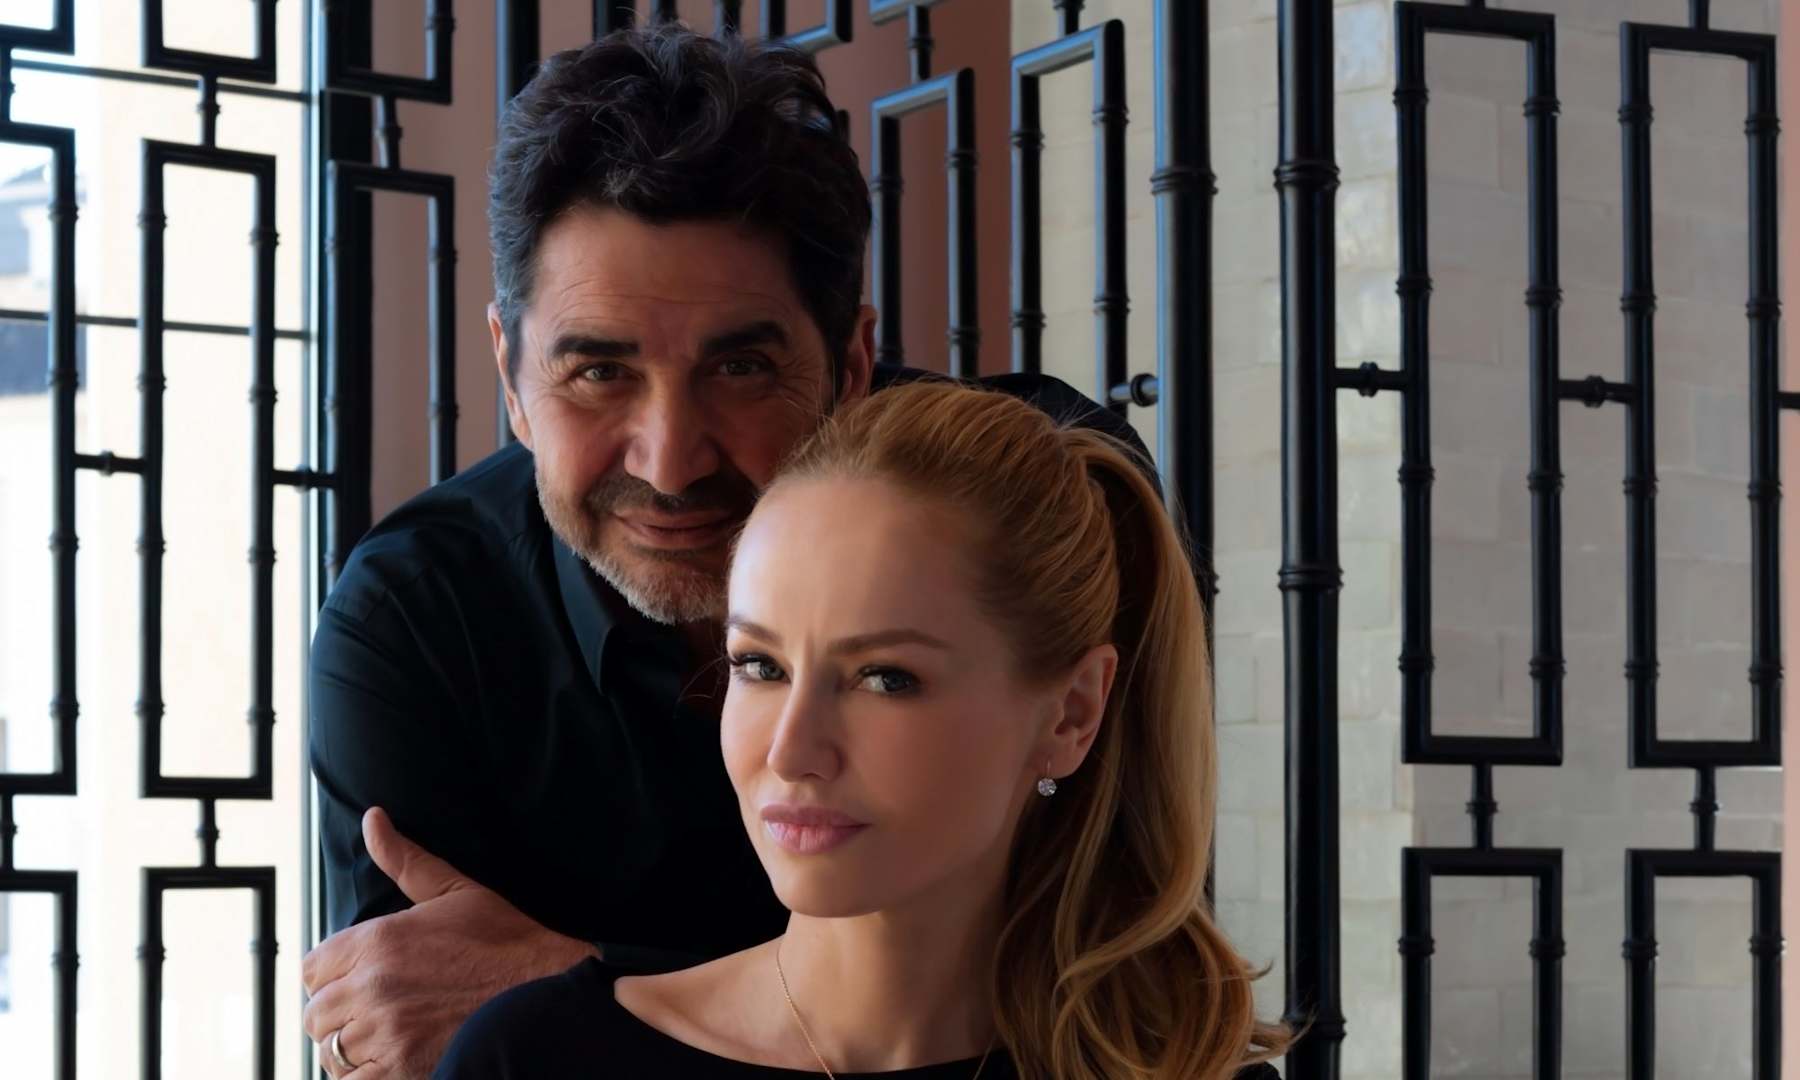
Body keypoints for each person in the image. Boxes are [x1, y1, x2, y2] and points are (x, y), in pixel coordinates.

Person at [300, 26, 1151, 1080]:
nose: (670, 462)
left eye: (740, 368)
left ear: (851, 365)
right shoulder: (416, 616)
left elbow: (1109, 969)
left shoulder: (1040, 496)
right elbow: (402, 1024)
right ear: (510, 375)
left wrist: (581, 996)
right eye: (599, 372)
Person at [433, 381, 1290, 1079]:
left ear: (1071, 715)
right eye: (759, 666)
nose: (791, 750)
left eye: (886, 678)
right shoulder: (534, 1061)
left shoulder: (1188, 1073)